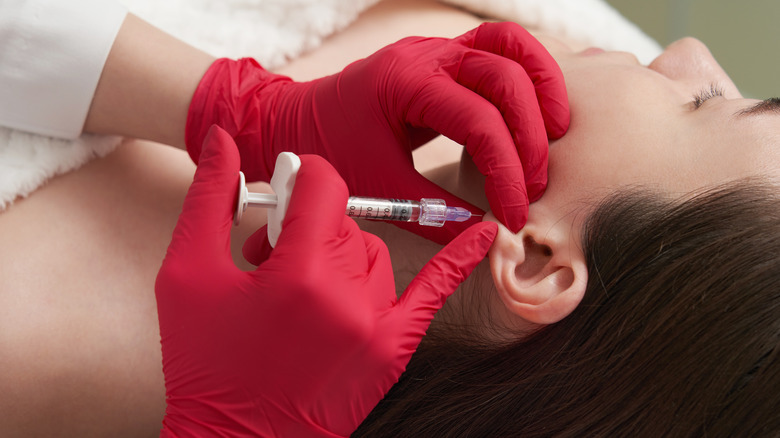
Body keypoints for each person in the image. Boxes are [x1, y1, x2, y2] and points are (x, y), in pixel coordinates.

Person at [1, 0, 777, 436]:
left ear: (537, 260)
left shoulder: (41, 356)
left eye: (706, 103)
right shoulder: (555, 40)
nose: (689, 52)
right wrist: (216, 99)